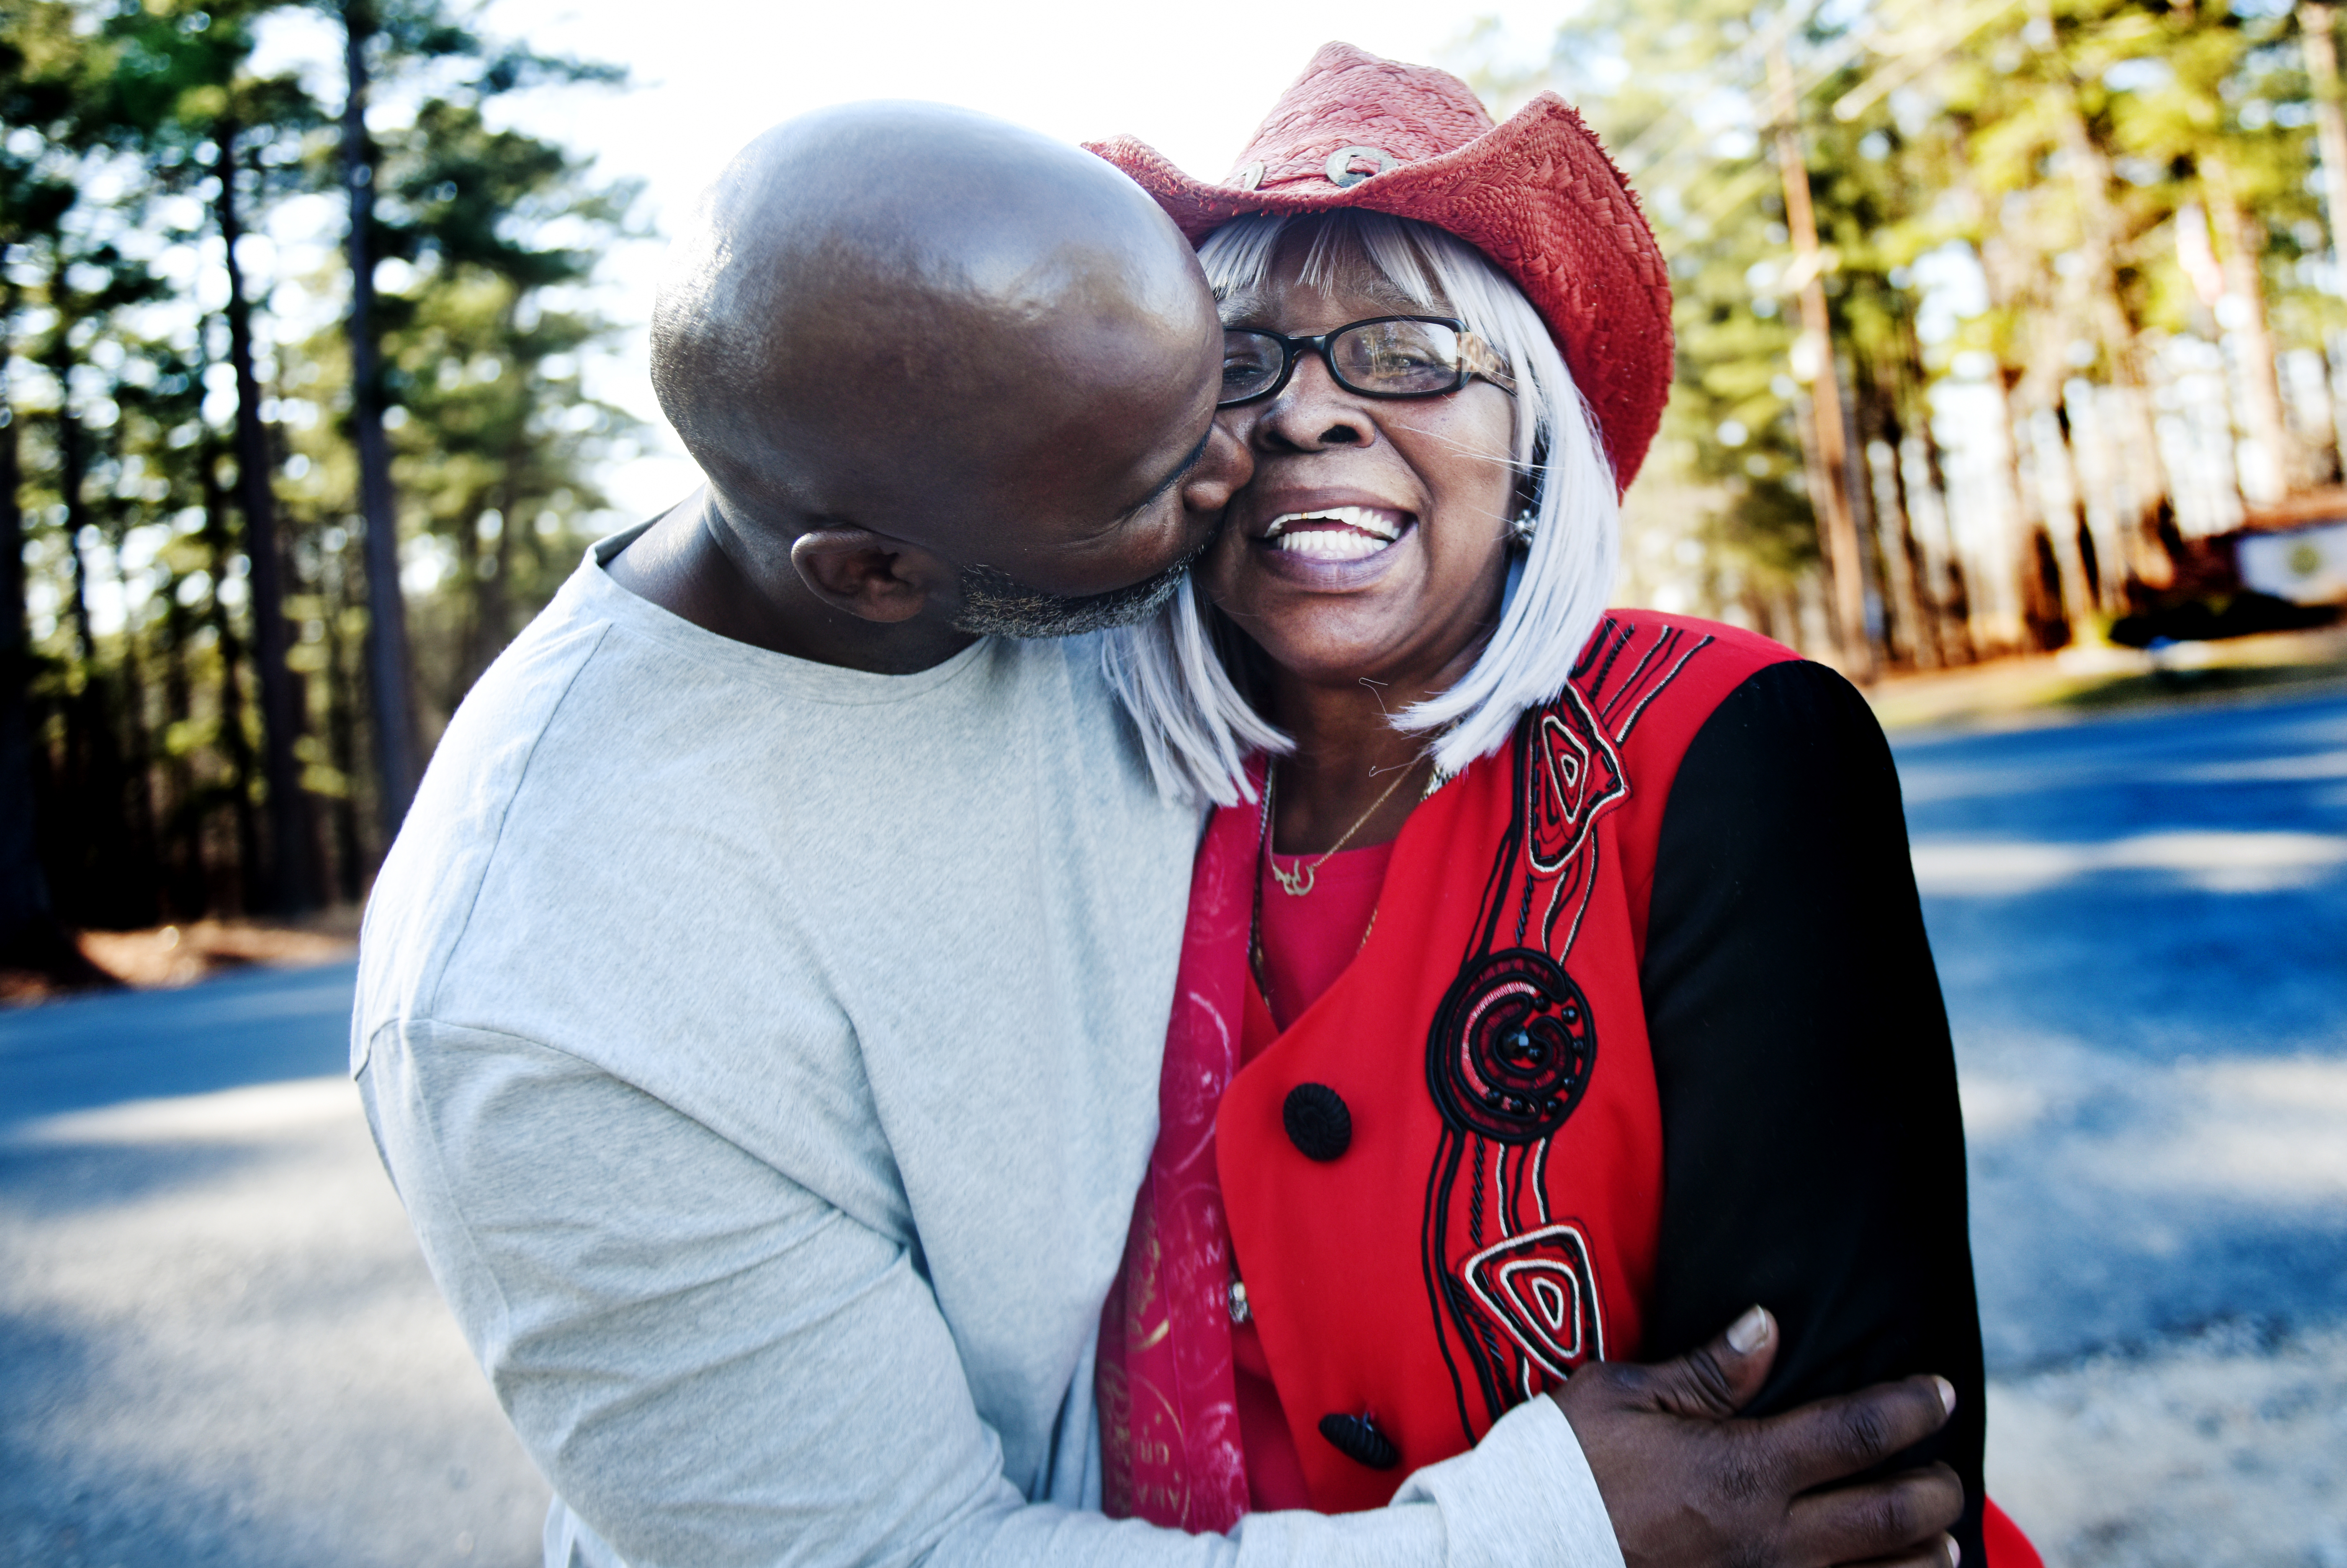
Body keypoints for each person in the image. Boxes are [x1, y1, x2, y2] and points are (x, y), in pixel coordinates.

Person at [354, 99, 1969, 1568]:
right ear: (876, 572)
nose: (1248, 449)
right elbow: (881, 1556)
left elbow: (1841, 1460)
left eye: (1406, 354)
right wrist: (1543, 1533)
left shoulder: (1696, 756)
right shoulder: (529, 991)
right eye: (1228, 382)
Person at [1085, 41, 2036, 1568]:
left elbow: (1837, 1492)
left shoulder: (1728, 748)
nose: (1309, 415)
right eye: (1244, 361)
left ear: (1534, 443)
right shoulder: (1099, 803)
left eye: (1404, 352)